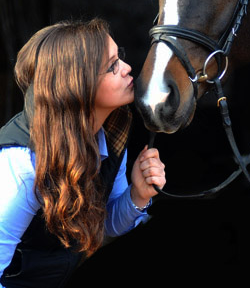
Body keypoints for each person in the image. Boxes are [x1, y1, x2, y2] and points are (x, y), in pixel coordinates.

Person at [0, 18, 166, 288]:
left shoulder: (111, 132)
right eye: (112, 66)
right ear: (78, 86)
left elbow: (104, 226)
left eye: (119, 57)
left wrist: (138, 195)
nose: (127, 68)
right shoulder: (22, 165)